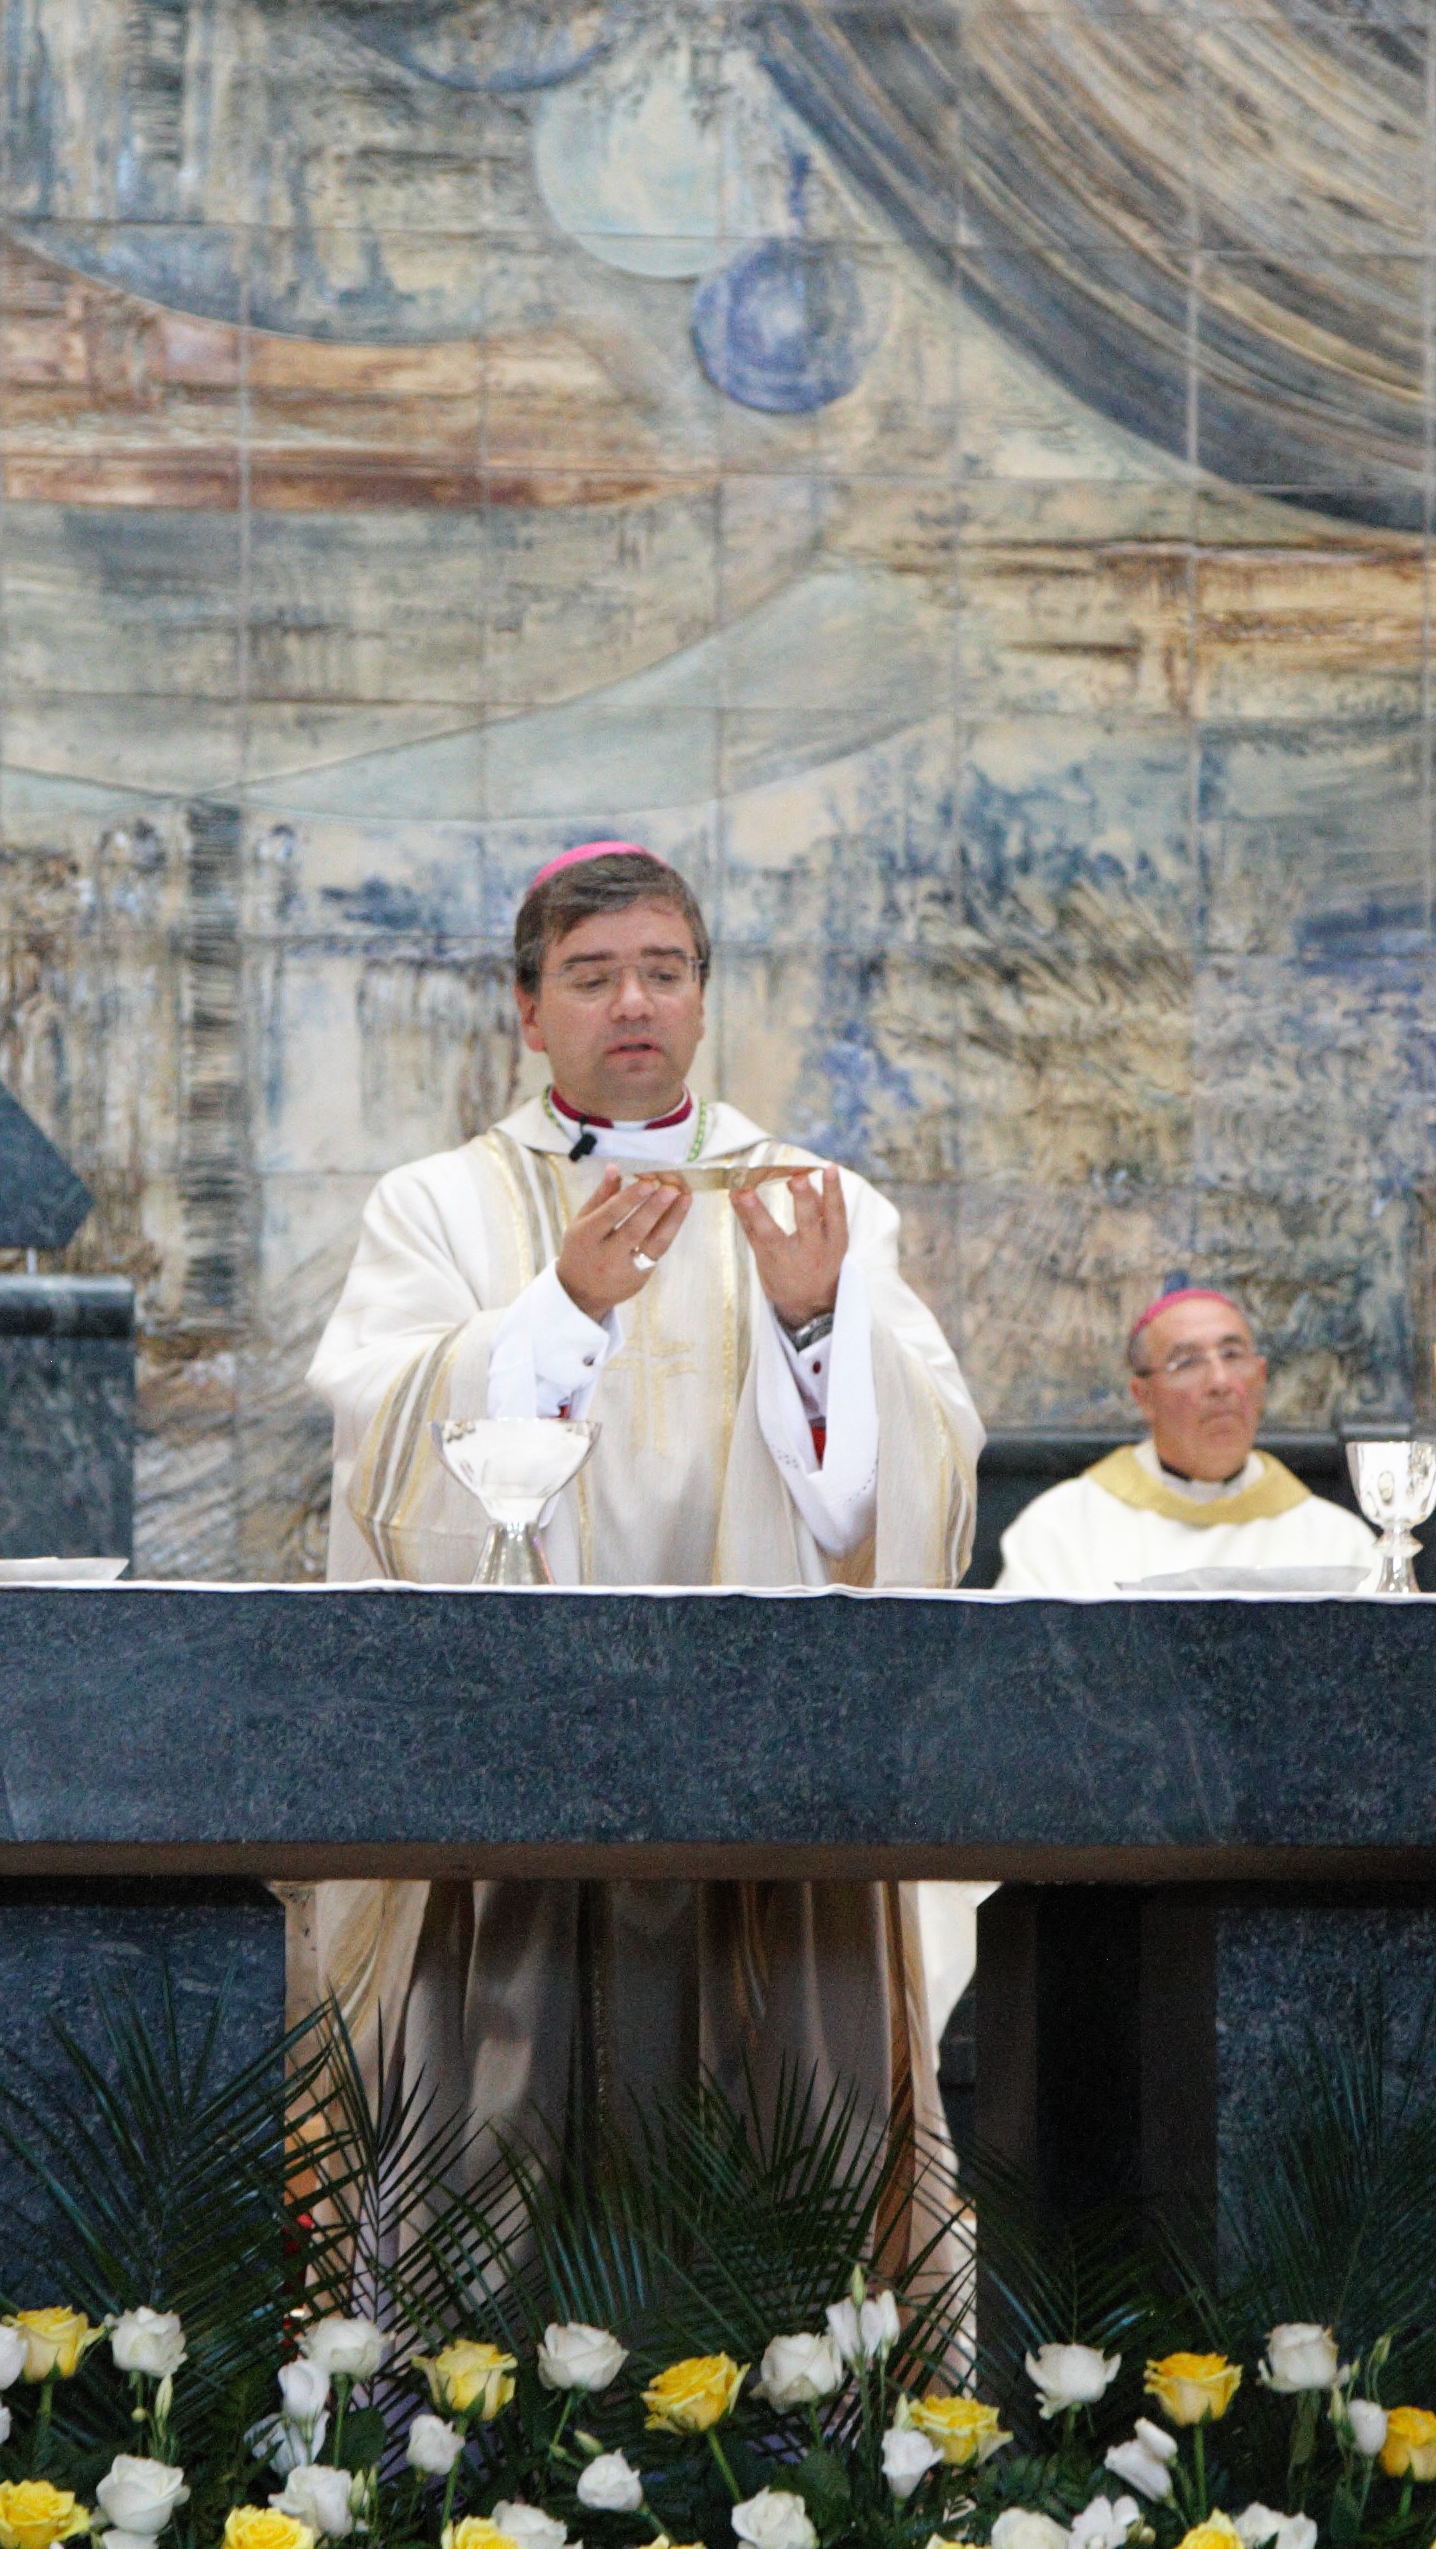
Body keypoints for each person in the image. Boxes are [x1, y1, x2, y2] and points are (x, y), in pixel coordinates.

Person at [306, 840, 982, 2194]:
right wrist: (561, 1307)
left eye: (662, 974)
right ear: (528, 1007)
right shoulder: (439, 1206)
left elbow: (918, 1471)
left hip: (773, 1778)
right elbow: (382, 1435)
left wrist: (812, 1318)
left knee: (784, 2155)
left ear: (700, 998)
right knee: (503, 2156)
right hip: (521, 1780)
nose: (632, 1005)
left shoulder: (814, 1201)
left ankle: (791, 2403)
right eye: (593, 976)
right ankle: (478, 2408)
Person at [992, 1284, 1373, 1591]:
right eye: (1187, 1362)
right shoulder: (1062, 1530)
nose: (1220, 1382)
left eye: (1232, 1354)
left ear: (1261, 1378)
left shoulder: (1337, 1540)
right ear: (1143, 1396)